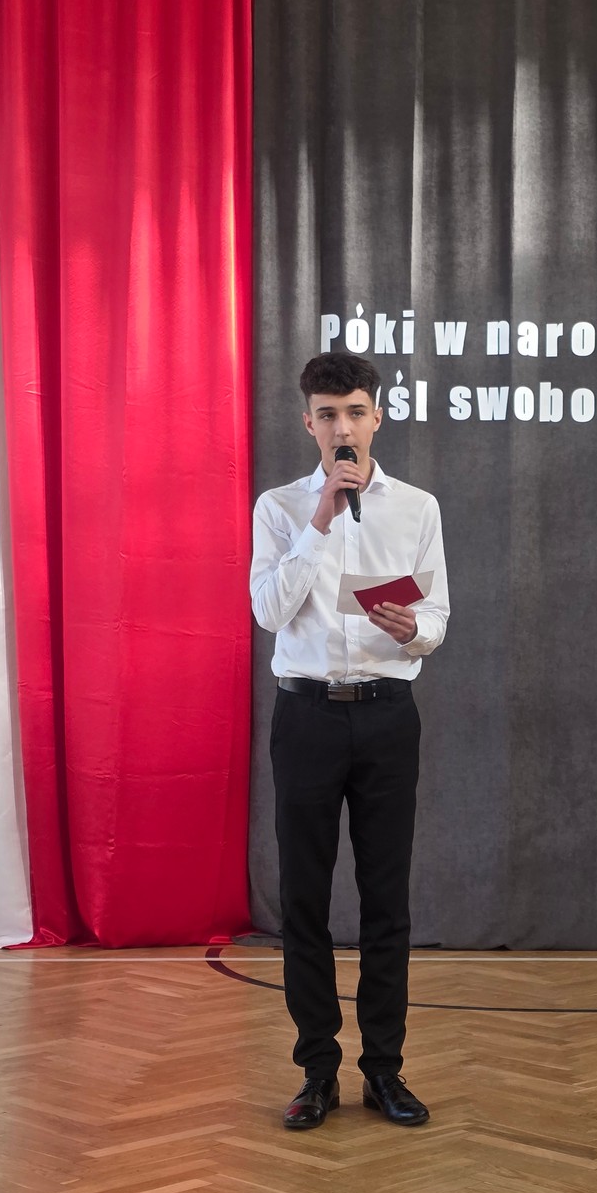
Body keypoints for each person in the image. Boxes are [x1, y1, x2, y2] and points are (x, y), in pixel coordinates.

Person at [250, 353, 449, 1128]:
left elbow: (436, 614)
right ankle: (317, 1073)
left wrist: (413, 631)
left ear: (377, 418)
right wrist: (321, 522)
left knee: (386, 900)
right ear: (310, 423)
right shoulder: (280, 508)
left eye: (355, 412)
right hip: (306, 716)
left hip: (387, 715)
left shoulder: (417, 508)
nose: (343, 427)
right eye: (328, 414)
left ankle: (385, 1072)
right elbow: (269, 612)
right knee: (304, 899)